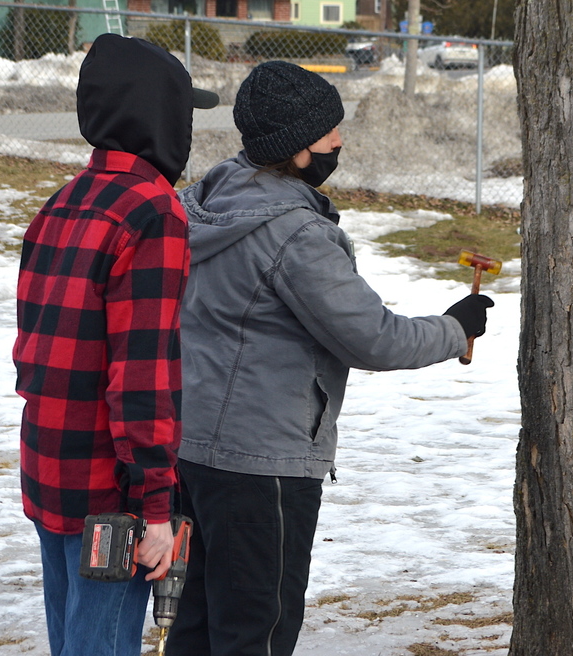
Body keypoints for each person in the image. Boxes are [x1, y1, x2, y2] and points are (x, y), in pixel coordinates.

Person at [165, 61, 494, 656]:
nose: (339, 141)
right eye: (328, 132)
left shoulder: (206, 202)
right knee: (255, 634)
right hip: (261, 465)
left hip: (191, 450)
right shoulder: (296, 235)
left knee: (195, 626)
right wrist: (455, 328)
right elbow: (373, 338)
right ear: (294, 148)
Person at [12, 33, 218, 656]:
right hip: (111, 493)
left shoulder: (63, 201)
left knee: (72, 640)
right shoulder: (153, 213)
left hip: (48, 466)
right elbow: (142, 373)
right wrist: (154, 505)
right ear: (161, 114)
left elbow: (35, 346)